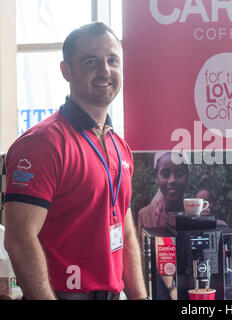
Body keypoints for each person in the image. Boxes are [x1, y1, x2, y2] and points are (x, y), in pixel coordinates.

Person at [3, 22, 147, 300]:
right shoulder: (42, 144)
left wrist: (141, 297)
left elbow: (125, 232)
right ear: (66, 71)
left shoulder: (119, 147)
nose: (105, 70)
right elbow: (19, 239)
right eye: (91, 61)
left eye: (112, 60)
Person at [137, 151, 188, 235]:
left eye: (179, 174)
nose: (172, 180)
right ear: (156, 178)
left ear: (187, 176)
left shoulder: (199, 216)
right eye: (165, 174)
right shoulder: (145, 215)